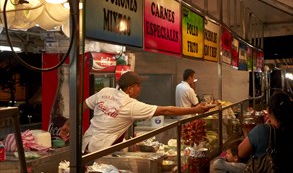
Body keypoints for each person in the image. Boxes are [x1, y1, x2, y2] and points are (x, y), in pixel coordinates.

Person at [81, 71, 215, 153]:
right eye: (139, 85)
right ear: (130, 89)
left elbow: (84, 105)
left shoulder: (105, 92)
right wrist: (195, 109)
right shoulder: (131, 105)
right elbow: (166, 110)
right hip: (101, 151)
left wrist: (68, 125)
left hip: (85, 144)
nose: (141, 88)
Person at [238, 90, 293, 173]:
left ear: (268, 110)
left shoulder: (262, 130)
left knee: (219, 164)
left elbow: (241, 152)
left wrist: (247, 133)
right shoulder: (289, 129)